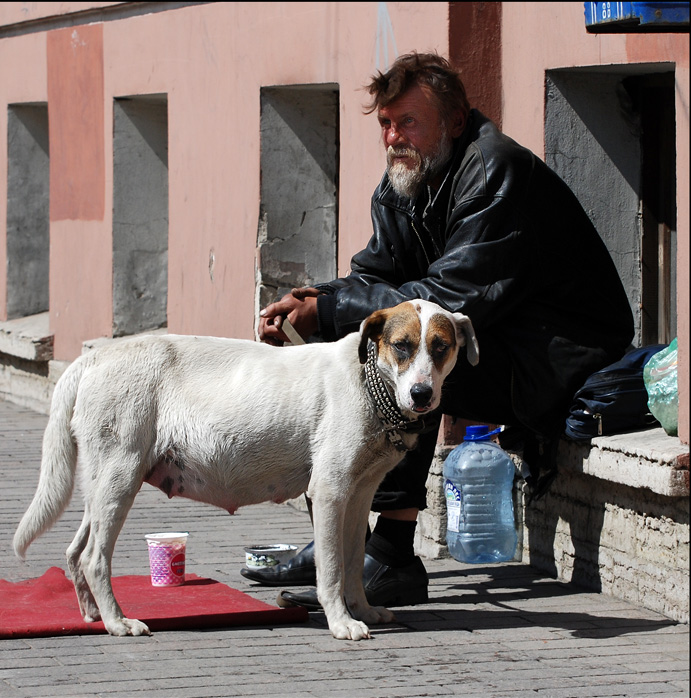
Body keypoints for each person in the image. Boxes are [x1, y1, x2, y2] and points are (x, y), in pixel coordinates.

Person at [242, 51, 634, 610]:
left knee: (417, 363)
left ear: (454, 121)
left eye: (408, 122)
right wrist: (313, 302)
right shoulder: (406, 180)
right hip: (500, 337)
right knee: (363, 350)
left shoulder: (496, 171)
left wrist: (331, 311)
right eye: (386, 123)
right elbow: (375, 275)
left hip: (561, 357)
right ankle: (348, 543)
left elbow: (451, 297)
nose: (393, 138)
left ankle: (391, 553)